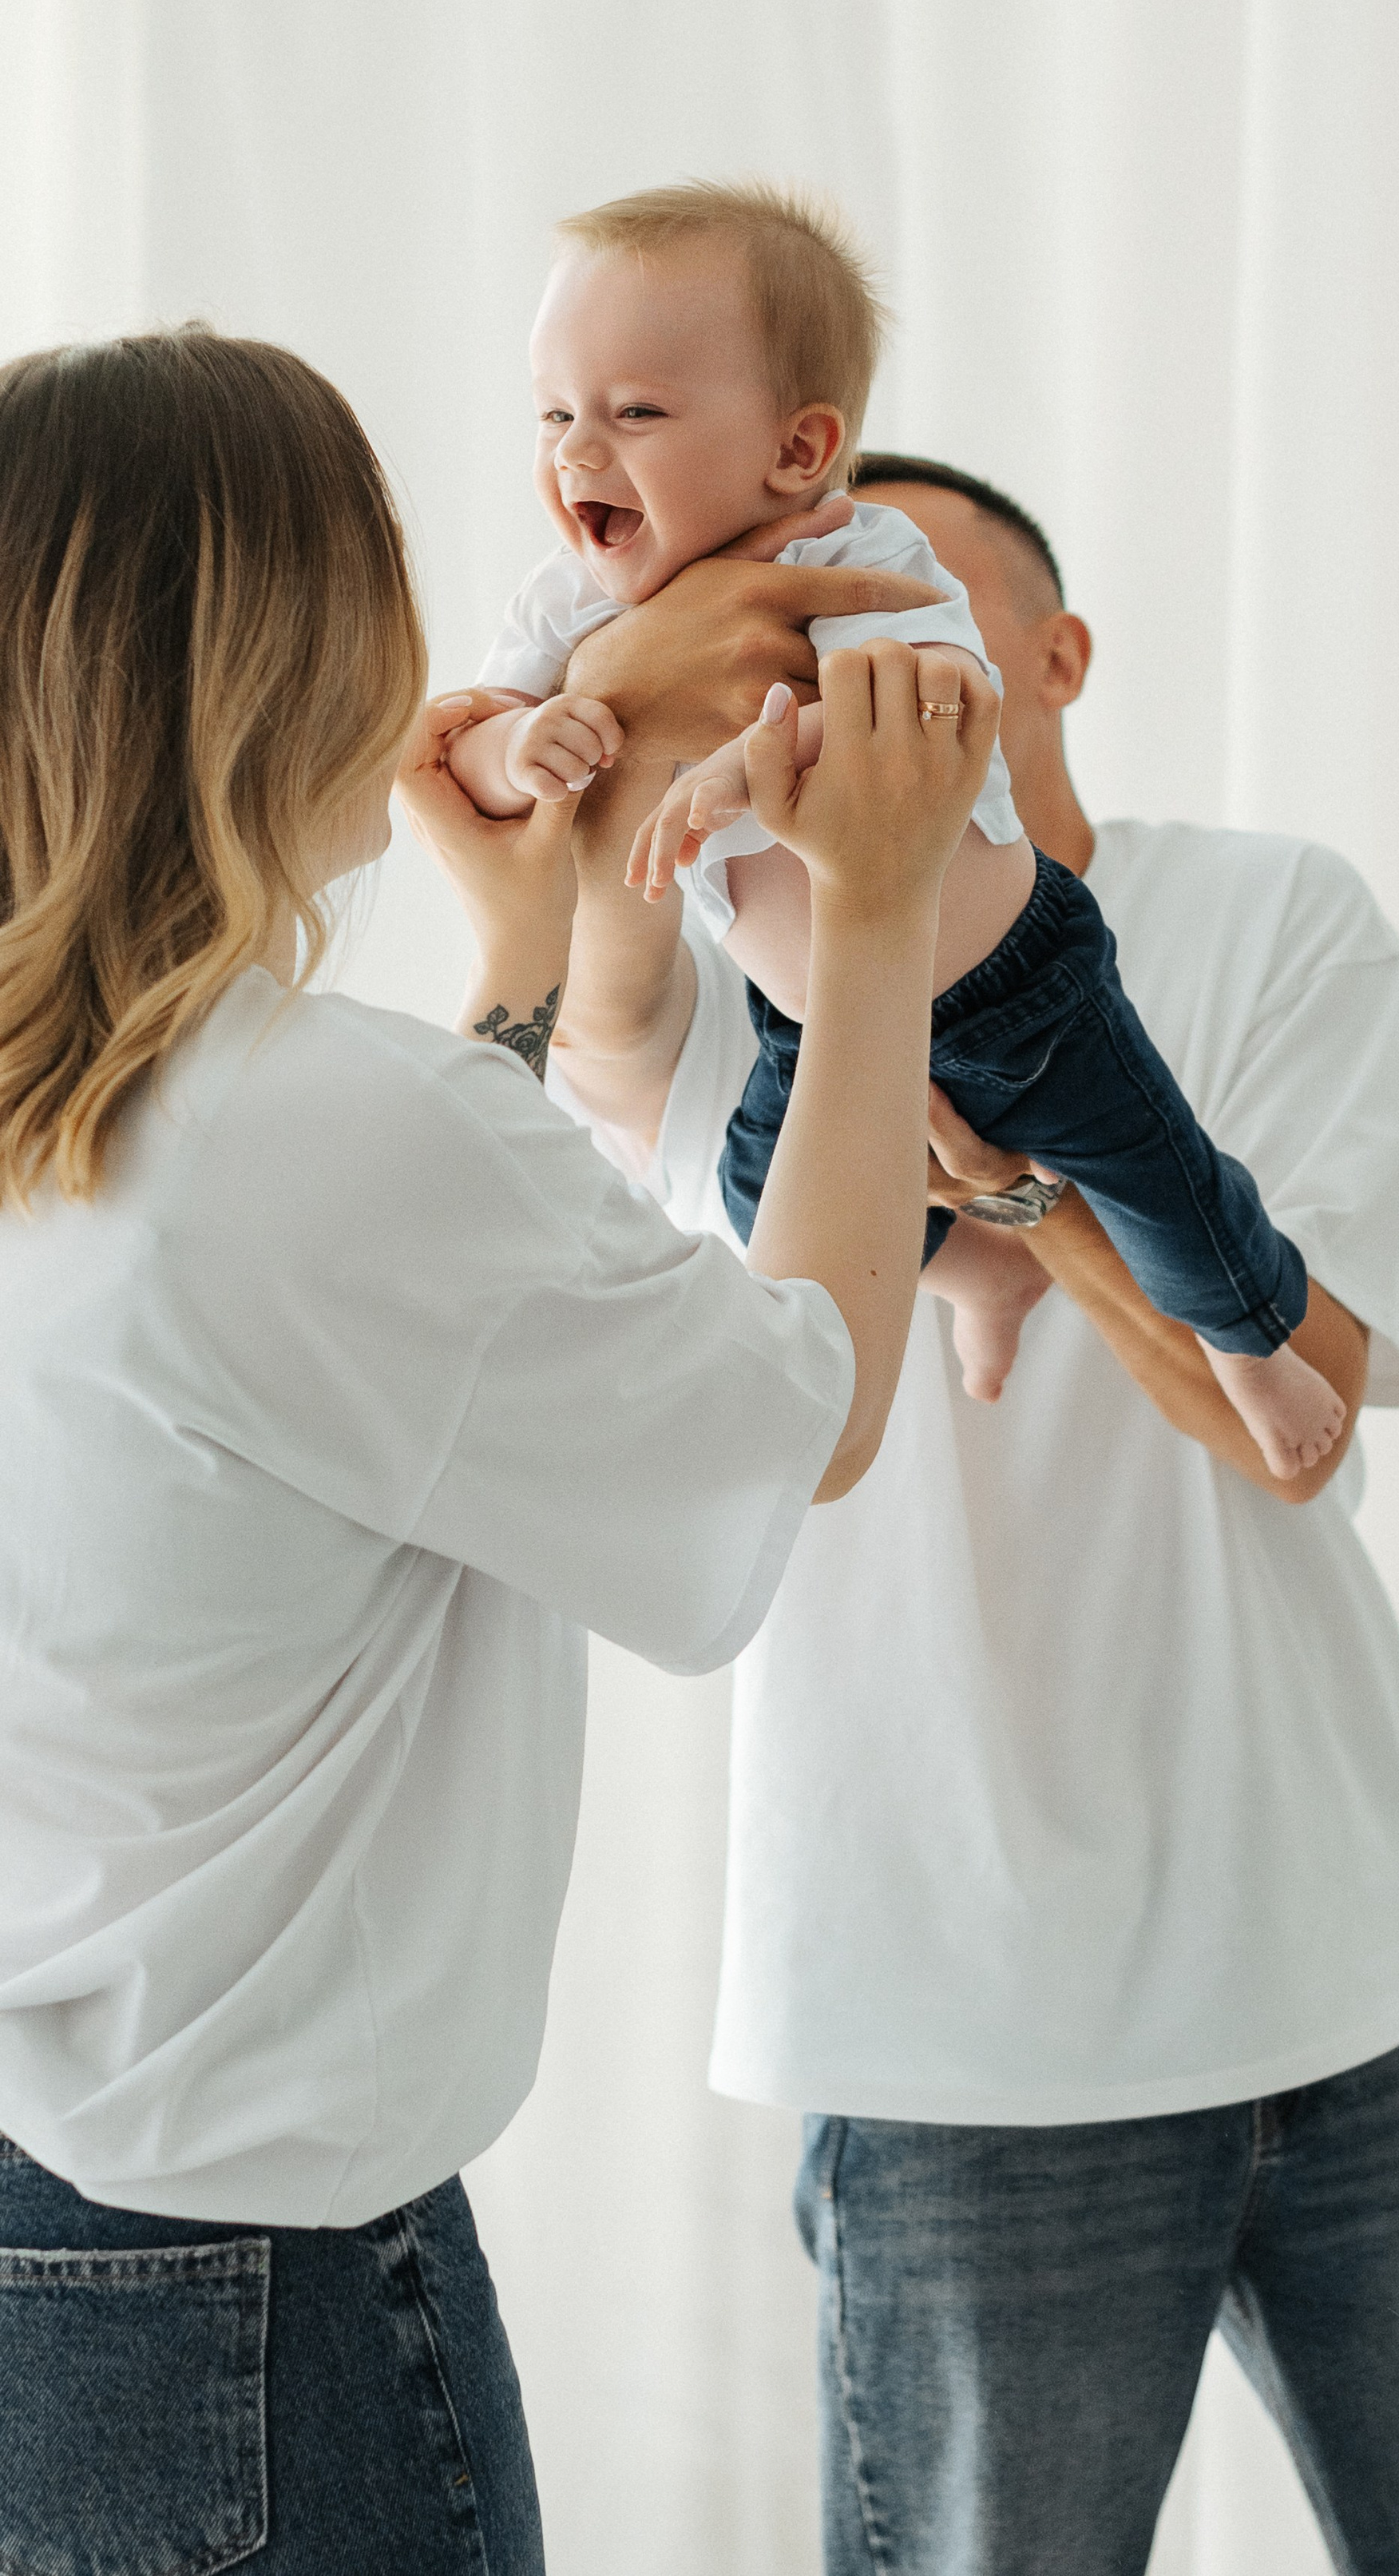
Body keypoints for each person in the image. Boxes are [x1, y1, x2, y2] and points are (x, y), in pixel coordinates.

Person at [548, 453, 1399, 2576]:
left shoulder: (1275, 914)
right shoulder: (732, 946)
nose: (868, 669)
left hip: (1355, 1971)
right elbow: (684, 1221)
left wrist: (1027, 1200)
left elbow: (1294, 1420)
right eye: (810, 621)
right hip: (955, 2037)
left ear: (1044, 657)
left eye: (917, 614)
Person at [0, 328, 992, 2575]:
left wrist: (529, 966)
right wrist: (878, 914)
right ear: (295, 653)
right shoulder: (317, 1132)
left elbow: (339, 1357)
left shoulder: (135, 1124)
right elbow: (799, 1405)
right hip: (245, 2309)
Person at [452, 180, 1343, 1479]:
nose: (579, 454)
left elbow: (904, 736)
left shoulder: (860, 560)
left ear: (800, 452)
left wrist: (732, 778)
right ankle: (976, 1279)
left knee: (1166, 1183)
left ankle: (1251, 1343)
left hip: (1018, 985)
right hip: (808, 1022)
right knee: (769, 1212)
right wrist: (517, 740)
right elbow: (471, 730)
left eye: (635, 413)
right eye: (554, 414)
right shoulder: (576, 607)